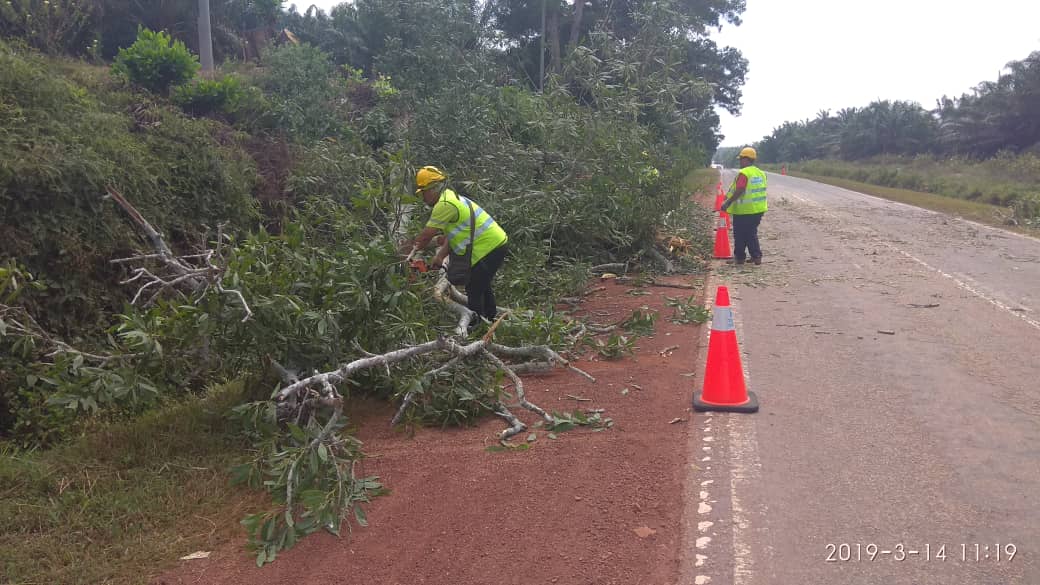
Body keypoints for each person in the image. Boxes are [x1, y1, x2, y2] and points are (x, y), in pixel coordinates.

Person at [405, 165, 509, 326]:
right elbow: (452, 235)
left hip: (489, 247)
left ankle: (476, 328)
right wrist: (440, 256)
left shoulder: (445, 205)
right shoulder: (451, 198)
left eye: (424, 193)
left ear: (433, 188)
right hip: (494, 244)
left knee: (474, 288)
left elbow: (426, 235)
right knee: (482, 284)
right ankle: (490, 319)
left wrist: (409, 254)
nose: (423, 198)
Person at [720, 147, 768, 265]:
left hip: (745, 211)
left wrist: (728, 202)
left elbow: (740, 189)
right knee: (750, 233)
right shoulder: (760, 173)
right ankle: (755, 256)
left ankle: (741, 257)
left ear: (746, 159)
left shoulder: (744, 173)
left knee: (740, 234)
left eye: (741, 159)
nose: (740, 161)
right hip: (758, 209)